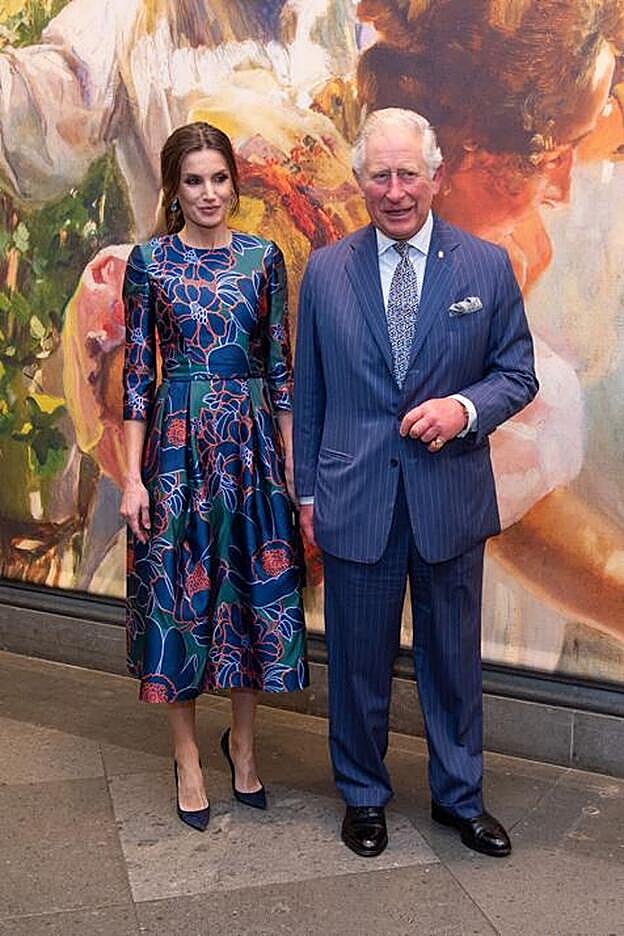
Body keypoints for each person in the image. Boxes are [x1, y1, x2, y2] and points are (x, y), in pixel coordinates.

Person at [293, 107, 538, 858]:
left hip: (449, 500)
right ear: (360, 182)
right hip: (355, 496)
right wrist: (308, 494)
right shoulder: (326, 271)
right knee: (357, 662)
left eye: (408, 174)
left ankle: (459, 797)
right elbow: (310, 392)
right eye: (380, 176)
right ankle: (362, 796)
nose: (394, 191)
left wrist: (464, 409)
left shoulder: (485, 266)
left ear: (435, 177)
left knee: (453, 661)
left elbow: (517, 373)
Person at [120, 121, 308, 831]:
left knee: (250, 594)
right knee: (179, 600)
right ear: (175, 188)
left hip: (252, 451)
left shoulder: (264, 258)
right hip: (175, 450)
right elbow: (137, 375)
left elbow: (280, 369)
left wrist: (289, 465)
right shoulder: (150, 263)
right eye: (193, 180)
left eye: (219, 178)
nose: (208, 192)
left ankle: (245, 747)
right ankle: (188, 759)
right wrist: (133, 478)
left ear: (235, 181)